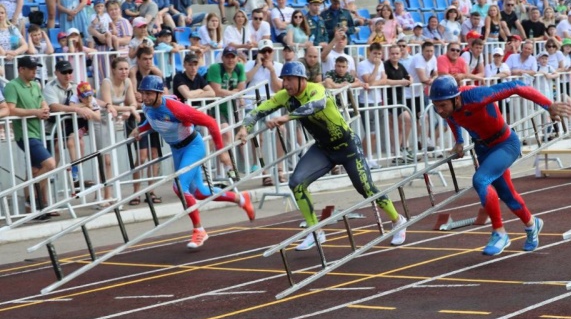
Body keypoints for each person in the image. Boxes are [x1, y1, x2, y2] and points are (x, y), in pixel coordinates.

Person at [240, 61, 408, 250]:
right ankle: (315, 231)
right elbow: (257, 111)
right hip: (323, 150)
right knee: (296, 183)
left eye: (289, 79)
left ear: (301, 79)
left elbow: (316, 105)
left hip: (347, 147)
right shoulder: (284, 97)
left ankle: (398, 220)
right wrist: (244, 129)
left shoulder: (315, 90)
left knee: (366, 188)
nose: (285, 84)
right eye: (283, 80)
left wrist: (286, 117)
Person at [429, 75, 571, 255]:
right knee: (506, 194)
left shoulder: (476, 96)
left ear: (456, 98)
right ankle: (531, 224)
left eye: (442, 105)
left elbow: (517, 86)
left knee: (480, 181)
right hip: (483, 149)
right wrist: (458, 141)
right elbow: (452, 117)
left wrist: (548, 105)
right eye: (436, 106)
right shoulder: (448, 108)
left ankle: (499, 232)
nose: (439, 110)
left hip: (505, 144)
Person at [132, 74, 255, 249]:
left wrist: (221, 152)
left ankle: (199, 230)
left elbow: (211, 122)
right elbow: (153, 121)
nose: (144, 97)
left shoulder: (176, 109)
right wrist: (140, 128)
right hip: (176, 150)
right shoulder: (147, 107)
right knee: (199, 192)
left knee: (179, 187)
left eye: (149, 93)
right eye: (142, 93)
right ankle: (241, 198)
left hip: (193, 147)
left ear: (159, 93)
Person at [6, 56, 54, 219]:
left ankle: (31, 206)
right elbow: (11, 109)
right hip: (25, 134)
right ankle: (35, 198)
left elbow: (42, 102)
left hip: (38, 132)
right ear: (21, 69)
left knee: (34, 170)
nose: (35, 72)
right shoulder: (12, 86)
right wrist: (35, 112)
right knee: (50, 164)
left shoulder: (35, 85)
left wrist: (44, 108)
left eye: (35, 69)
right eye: (31, 69)